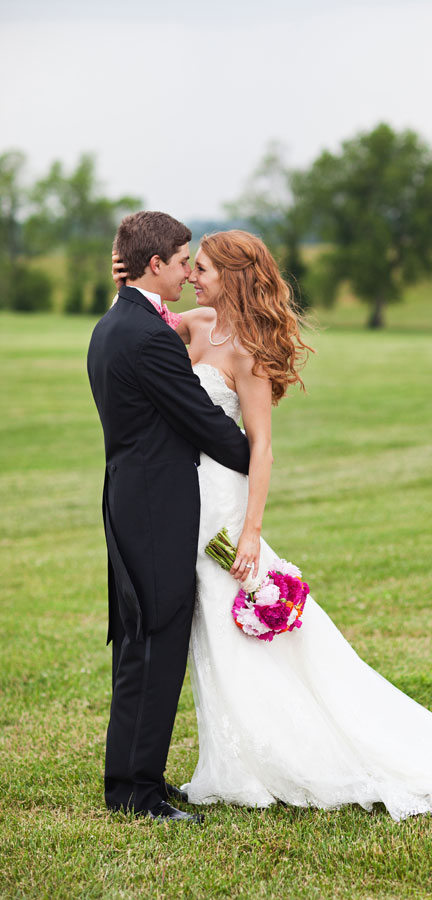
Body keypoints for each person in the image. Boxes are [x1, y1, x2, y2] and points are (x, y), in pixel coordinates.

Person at [114, 229, 432, 821]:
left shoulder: (248, 352)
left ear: (230, 274)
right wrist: (124, 281)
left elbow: (261, 449)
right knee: (208, 632)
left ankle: (291, 754)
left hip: (224, 509)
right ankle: (234, 760)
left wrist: (251, 531)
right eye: (190, 268)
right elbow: (137, 329)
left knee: (243, 631)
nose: (193, 277)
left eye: (201, 268)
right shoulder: (193, 324)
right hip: (180, 499)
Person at [87, 211, 250, 823]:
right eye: (183, 260)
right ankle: (136, 794)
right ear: (155, 265)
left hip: (132, 498)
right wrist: (255, 453)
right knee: (156, 641)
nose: (188, 270)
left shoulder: (115, 322)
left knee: (140, 642)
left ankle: (133, 778)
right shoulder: (145, 335)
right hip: (156, 508)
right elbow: (201, 421)